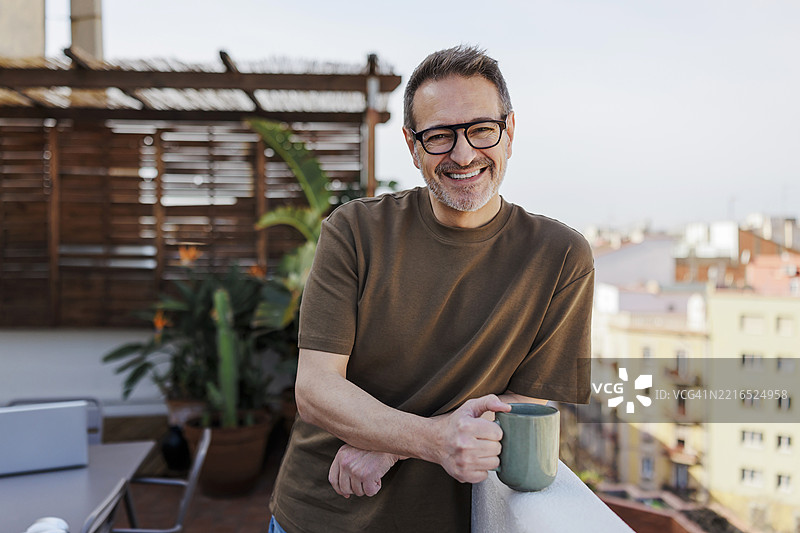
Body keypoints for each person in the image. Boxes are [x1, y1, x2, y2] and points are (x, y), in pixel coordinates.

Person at [268, 45, 594, 533]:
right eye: (439, 136)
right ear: (412, 144)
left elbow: (528, 403)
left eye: (481, 130)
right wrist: (429, 438)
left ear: (509, 131)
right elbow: (315, 389)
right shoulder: (354, 230)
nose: (463, 155)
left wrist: (392, 445)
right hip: (319, 514)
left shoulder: (562, 255)